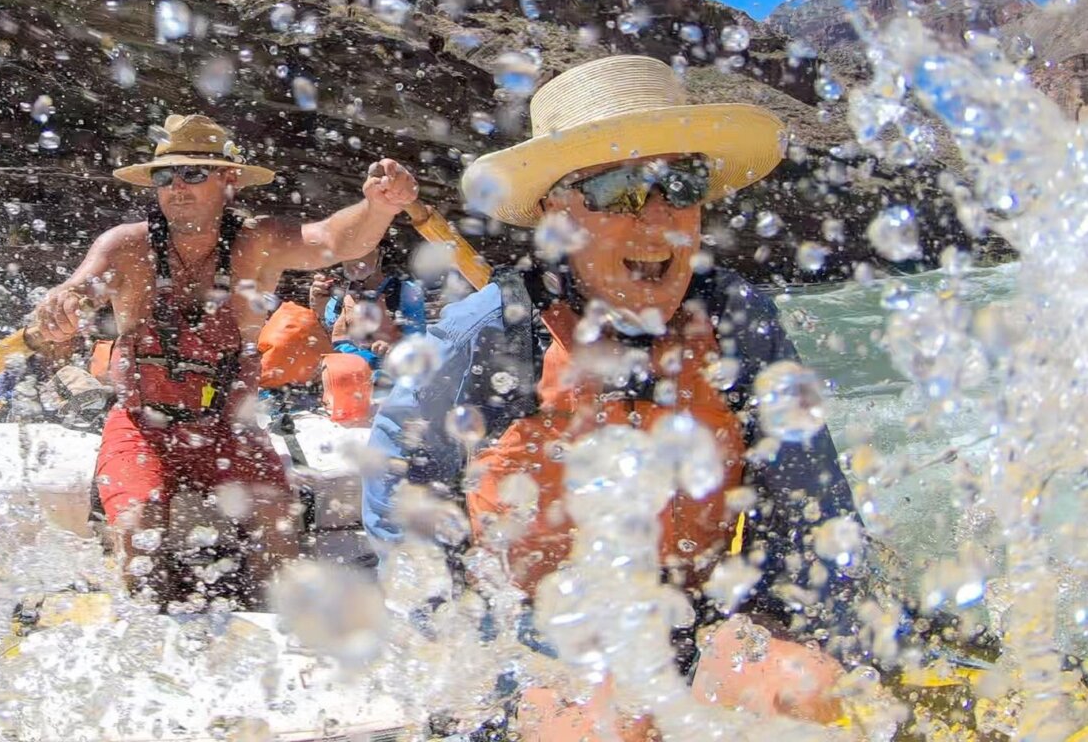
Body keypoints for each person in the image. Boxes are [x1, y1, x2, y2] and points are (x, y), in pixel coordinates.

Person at [361, 55, 863, 735]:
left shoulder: (742, 324)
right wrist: (474, 649)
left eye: (680, 184)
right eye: (621, 190)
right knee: (605, 727)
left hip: (697, 622)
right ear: (554, 216)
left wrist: (780, 631)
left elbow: (813, 508)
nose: (658, 219)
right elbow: (397, 475)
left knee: (806, 691)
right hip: (538, 652)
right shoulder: (487, 330)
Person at [32, 113, 418, 596]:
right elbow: (80, 285)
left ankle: (274, 636)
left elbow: (335, 239)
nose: (177, 187)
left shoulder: (261, 243)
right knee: (137, 527)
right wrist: (62, 304)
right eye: (164, 176)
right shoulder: (126, 245)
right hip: (139, 427)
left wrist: (378, 206)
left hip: (231, 428)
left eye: (193, 174)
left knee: (278, 526)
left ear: (228, 180)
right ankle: (142, 629)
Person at [308, 243, 427, 368]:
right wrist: (316, 311)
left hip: (384, 379)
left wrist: (393, 350)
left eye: (360, 251)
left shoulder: (406, 292)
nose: (353, 258)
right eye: (345, 252)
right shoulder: (337, 296)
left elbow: (417, 345)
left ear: (380, 253)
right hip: (345, 377)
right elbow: (325, 343)